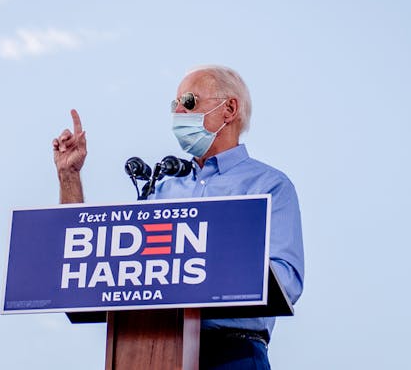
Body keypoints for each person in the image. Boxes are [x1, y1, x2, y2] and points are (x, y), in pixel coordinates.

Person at [51, 65, 305, 370]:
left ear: (230, 109)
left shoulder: (268, 186)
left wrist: (207, 268)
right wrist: (69, 176)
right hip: (153, 350)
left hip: (232, 353)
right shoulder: (163, 187)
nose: (178, 113)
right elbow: (88, 253)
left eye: (189, 101)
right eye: (175, 106)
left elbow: (285, 280)